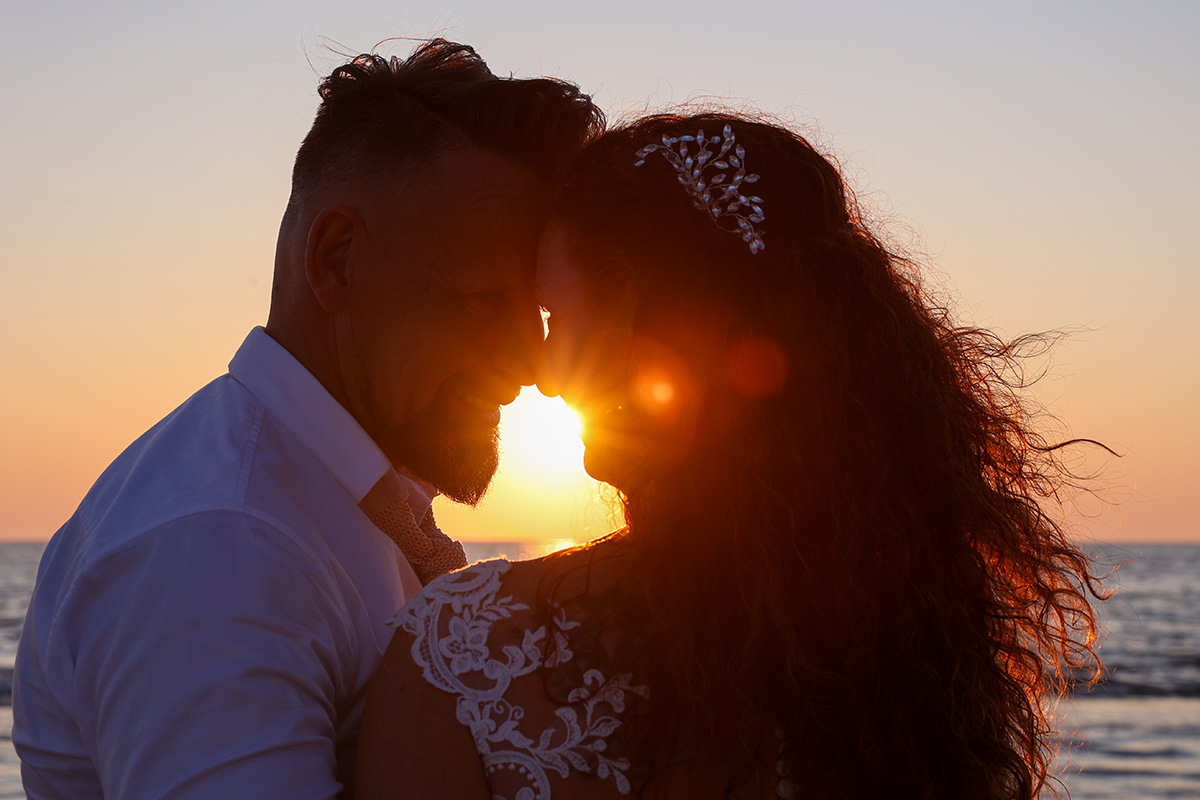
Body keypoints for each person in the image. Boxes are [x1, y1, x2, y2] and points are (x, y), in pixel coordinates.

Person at [355, 113, 1105, 800]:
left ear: (666, 322)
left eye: (561, 314)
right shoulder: (921, 664)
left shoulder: (462, 653)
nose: (545, 373)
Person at [13, 40, 602, 799]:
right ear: (337, 260)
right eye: (486, 302)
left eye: (542, 312)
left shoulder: (326, 504)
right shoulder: (221, 543)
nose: (532, 366)